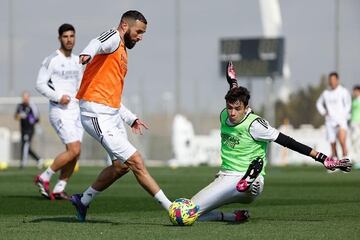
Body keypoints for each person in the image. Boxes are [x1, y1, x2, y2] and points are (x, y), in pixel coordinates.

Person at [189, 62, 352, 223]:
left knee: (245, 187)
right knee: (187, 214)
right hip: (225, 177)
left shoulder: (256, 125)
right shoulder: (225, 113)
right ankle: (234, 216)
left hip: (248, 184)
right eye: (229, 107)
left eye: (237, 109)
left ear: (246, 108)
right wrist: (232, 81)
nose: (232, 112)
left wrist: (323, 158)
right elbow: (234, 94)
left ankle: (252, 179)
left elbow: (288, 141)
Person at [70, 10, 172, 222]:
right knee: (136, 161)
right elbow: (98, 40)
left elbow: (113, 96)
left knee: (122, 165)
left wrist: (130, 118)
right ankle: (172, 208)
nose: (140, 37)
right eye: (139, 31)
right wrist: (86, 53)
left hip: (111, 114)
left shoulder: (122, 52)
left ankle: (84, 200)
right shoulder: (114, 38)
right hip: (95, 113)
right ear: (125, 26)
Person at [35, 23, 84, 200]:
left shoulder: (78, 60)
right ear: (59, 38)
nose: (69, 40)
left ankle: (59, 188)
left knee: (76, 152)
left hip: (76, 111)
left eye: (72, 36)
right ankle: (44, 177)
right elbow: (40, 84)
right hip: (59, 110)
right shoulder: (51, 60)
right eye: (65, 36)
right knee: (73, 149)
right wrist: (57, 97)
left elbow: (80, 85)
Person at [316, 72, 351, 160]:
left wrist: (343, 116)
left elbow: (348, 105)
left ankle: (345, 160)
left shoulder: (343, 91)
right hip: (330, 121)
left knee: (342, 141)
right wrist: (324, 112)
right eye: (330, 80)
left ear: (337, 80)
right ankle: (335, 161)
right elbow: (319, 103)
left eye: (334, 80)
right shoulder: (326, 93)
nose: (332, 82)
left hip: (341, 121)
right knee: (332, 143)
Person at [15, 91, 42, 169]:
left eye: (27, 97)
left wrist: (30, 119)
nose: (25, 99)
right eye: (24, 98)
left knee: (25, 145)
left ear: (29, 98)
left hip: (30, 130)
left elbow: (37, 119)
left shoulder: (32, 106)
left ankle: (23, 163)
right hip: (23, 129)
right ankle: (38, 159)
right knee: (26, 146)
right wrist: (20, 116)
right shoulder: (20, 106)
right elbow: (16, 117)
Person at [350, 85, 360, 169]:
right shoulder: (354, 100)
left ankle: (358, 161)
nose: (354, 92)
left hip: (358, 123)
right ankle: (356, 160)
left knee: (357, 142)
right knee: (354, 142)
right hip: (353, 123)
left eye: (355, 91)